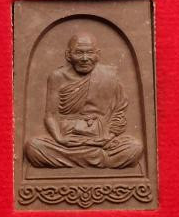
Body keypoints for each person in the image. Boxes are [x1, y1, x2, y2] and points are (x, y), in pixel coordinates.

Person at [25, 33, 143, 169]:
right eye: (79, 53)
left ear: (97, 54)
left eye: (90, 53)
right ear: (68, 55)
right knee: (33, 147)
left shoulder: (109, 76)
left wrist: (109, 137)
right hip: (68, 140)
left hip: (101, 139)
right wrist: (59, 139)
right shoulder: (57, 77)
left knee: (134, 147)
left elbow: (119, 111)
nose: (85, 58)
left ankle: (80, 159)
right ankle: (101, 160)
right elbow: (50, 115)